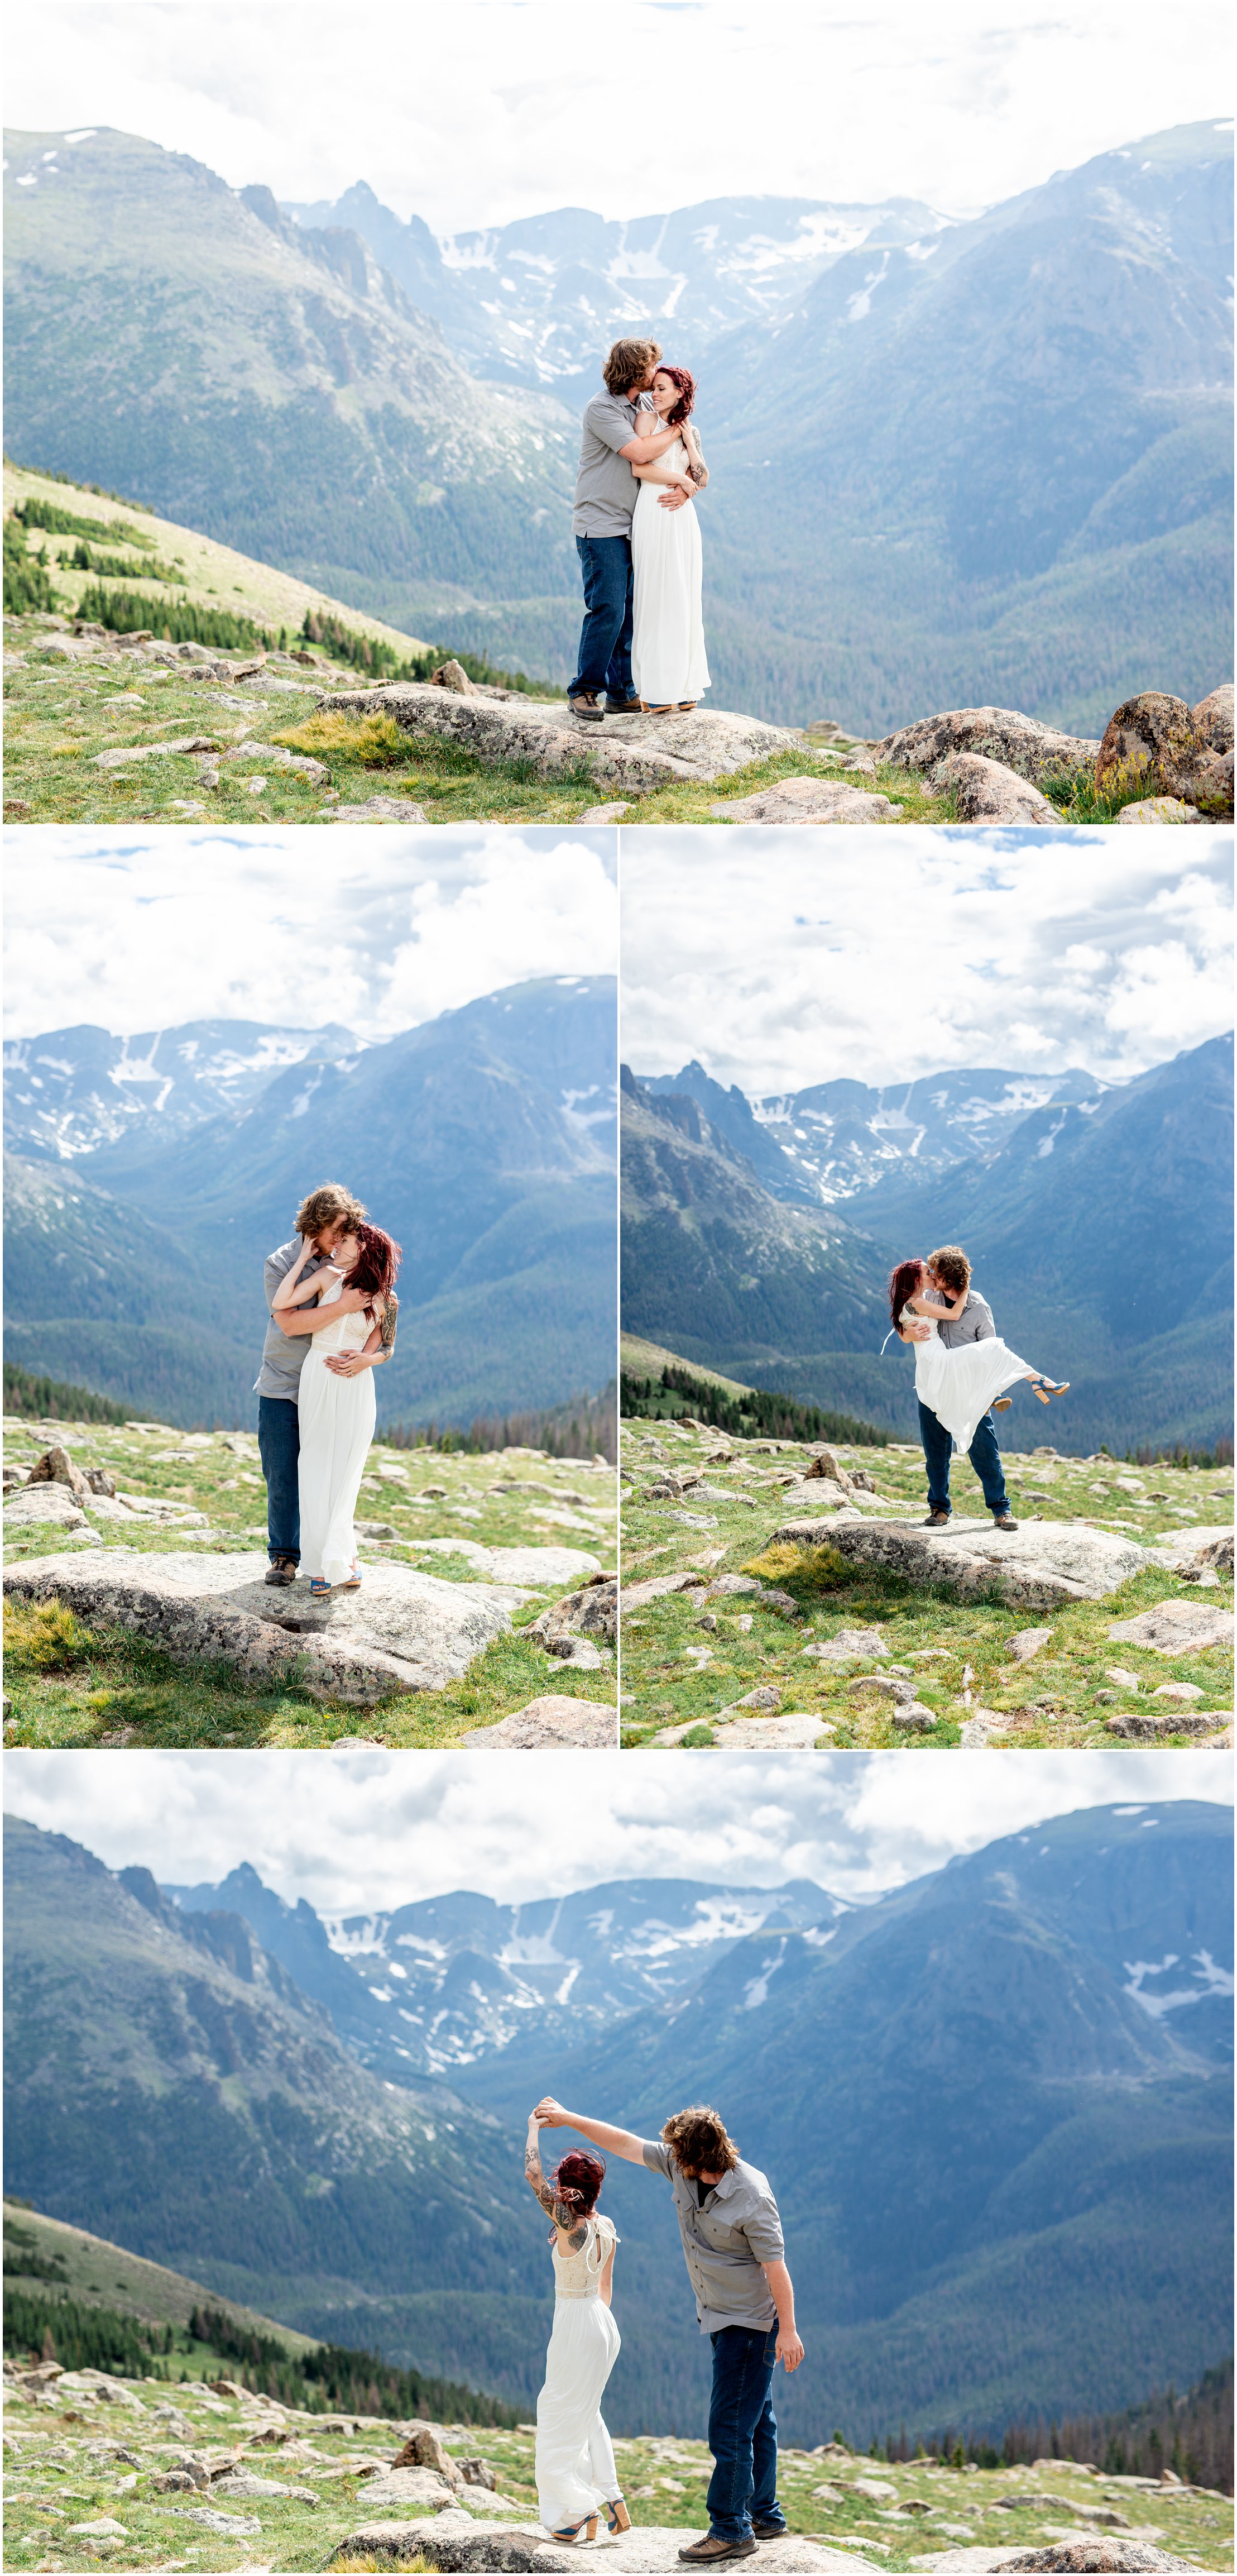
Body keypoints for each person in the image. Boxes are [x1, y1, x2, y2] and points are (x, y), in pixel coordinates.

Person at [535, 2095, 802, 2565]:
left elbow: (776, 2267)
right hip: (719, 2313)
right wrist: (570, 2118)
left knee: (729, 2427)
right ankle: (766, 2514)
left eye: (679, 2155)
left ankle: (731, 2528)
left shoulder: (752, 2194)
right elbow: (625, 2143)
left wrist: (789, 2331)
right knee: (757, 2417)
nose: (670, 2160)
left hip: (750, 2322)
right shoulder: (685, 2168)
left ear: (700, 2159)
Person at [893, 1243, 1068, 1530]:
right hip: (935, 1384)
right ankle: (939, 1509)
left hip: (968, 1389)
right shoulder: (929, 1296)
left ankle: (1001, 1510)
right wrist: (906, 1334)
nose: (933, 1277)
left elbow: (989, 1353)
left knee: (985, 1450)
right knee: (935, 1453)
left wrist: (989, 1391)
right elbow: (904, 1316)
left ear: (950, 1279)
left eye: (938, 1274)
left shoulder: (978, 1306)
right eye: (931, 1273)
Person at [271, 1220, 401, 1597]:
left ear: (365, 1248)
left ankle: (344, 1558)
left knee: (347, 1471)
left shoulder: (385, 1297)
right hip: (319, 1375)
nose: (337, 1245)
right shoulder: (327, 1275)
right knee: (314, 1465)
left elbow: (387, 1347)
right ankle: (318, 1563)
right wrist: (301, 1261)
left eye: (345, 1241)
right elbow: (281, 1303)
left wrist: (366, 1361)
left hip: (357, 1384)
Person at [568, 336, 693, 723]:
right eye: (651, 366)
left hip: (635, 523)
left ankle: (622, 692)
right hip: (601, 523)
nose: (656, 371)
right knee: (607, 607)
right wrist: (678, 428)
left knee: (630, 609)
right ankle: (585, 690)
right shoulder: (602, 409)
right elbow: (640, 455)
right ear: (636, 371)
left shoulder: (640, 404)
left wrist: (686, 483)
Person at [254, 1184, 370, 1587]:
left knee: (327, 1471)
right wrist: (341, 1307)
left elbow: (378, 1321)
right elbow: (287, 1322)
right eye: (337, 1229)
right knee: (282, 1471)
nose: (341, 1238)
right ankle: (284, 1555)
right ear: (316, 1225)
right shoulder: (280, 1263)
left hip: (330, 1385)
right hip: (284, 1382)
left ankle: (328, 1555)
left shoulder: (347, 1262)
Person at [524, 2111, 630, 2546]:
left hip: (575, 2322)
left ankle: (582, 2503)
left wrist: (534, 2127)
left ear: (567, 2187)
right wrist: (594, 2329)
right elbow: (605, 2288)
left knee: (553, 2413)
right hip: (602, 2323)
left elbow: (532, 2172)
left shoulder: (569, 2225)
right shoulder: (604, 2226)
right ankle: (610, 2499)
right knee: (587, 2413)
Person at [630, 364, 710, 714]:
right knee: (657, 592)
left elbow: (703, 476)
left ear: (680, 393)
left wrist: (689, 444)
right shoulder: (646, 421)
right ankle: (656, 688)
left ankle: (684, 683)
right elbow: (640, 467)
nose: (655, 394)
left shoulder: (690, 429)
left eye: (663, 389)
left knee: (683, 594)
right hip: (653, 507)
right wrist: (681, 483)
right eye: (655, 388)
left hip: (682, 516)